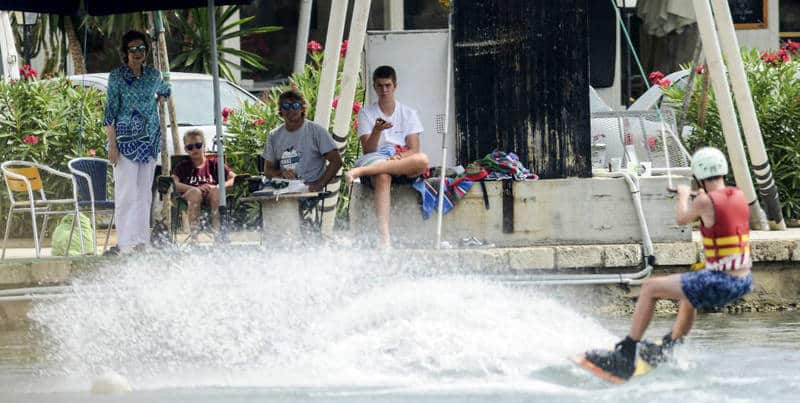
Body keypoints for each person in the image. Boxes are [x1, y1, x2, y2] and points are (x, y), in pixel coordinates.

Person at [583, 147, 753, 382]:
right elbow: (716, 207)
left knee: (650, 287)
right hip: (743, 281)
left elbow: (682, 218)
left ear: (699, 176)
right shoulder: (738, 195)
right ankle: (670, 346)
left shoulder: (703, 200)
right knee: (689, 293)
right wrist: (696, 197)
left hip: (721, 281)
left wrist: (684, 195)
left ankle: (626, 353)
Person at [346, 65, 429, 248]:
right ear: (375, 87)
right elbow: (368, 150)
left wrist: (400, 157)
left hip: (400, 160)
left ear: (395, 86)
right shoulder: (366, 113)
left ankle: (360, 171)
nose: (384, 90)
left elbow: (414, 149)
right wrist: (376, 130)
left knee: (422, 160)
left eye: (387, 86)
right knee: (383, 177)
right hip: (376, 158)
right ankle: (384, 237)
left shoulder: (408, 113)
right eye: (380, 86)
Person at [103, 30, 170, 254]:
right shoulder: (116, 76)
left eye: (141, 48)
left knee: (144, 194)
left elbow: (165, 90)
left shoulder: (153, 75)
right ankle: (125, 243)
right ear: (125, 52)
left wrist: (160, 98)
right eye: (133, 49)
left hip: (149, 143)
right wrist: (112, 145)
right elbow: (109, 114)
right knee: (126, 193)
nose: (138, 53)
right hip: (125, 143)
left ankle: (142, 241)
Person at [262, 90, 342, 192]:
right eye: (286, 106)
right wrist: (281, 174)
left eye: (295, 105)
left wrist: (319, 185)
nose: (290, 109)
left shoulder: (316, 131)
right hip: (284, 190)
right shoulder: (274, 136)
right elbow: (268, 170)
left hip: (310, 191)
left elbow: (336, 161)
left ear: (302, 108)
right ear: (280, 110)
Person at [171, 129, 236, 234]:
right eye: (190, 147)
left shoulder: (214, 163)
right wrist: (193, 188)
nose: (194, 149)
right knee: (195, 193)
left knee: (216, 192)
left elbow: (234, 178)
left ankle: (218, 235)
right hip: (189, 199)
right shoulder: (182, 166)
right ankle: (194, 239)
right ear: (186, 150)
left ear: (204, 145)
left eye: (198, 145)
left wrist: (219, 186)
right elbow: (174, 182)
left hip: (212, 196)